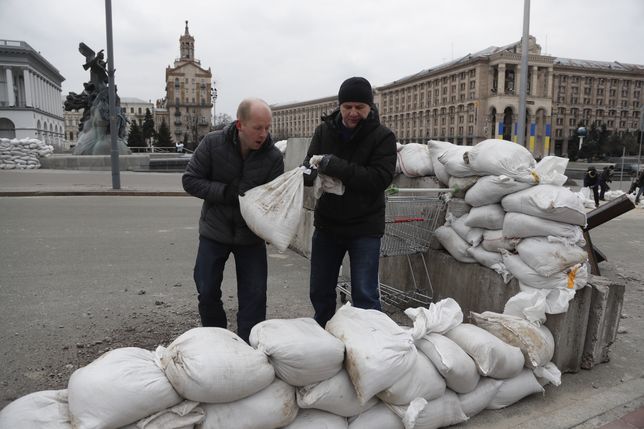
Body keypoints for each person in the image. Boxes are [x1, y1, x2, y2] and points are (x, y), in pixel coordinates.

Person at [182, 98, 284, 342]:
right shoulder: (212, 143)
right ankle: (217, 341)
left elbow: (275, 199)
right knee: (206, 290)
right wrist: (226, 192)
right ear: (240, 125)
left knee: (255, 297)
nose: (264, 134)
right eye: (258, 127)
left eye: (267, 127)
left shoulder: (272, 157)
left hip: (251, 236)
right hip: (215, 231)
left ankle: (249, 349)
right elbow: (190, 180)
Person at [301, 77, 397, 327]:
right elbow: (308, 162)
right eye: (347, 107)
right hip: (328, 225)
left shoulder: (383, 137)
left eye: (359, 107)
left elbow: (379, 179)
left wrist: (337, 166)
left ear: (370, 107)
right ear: (339, 106)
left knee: (365, 293)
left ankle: (370, 341)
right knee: (320, 290)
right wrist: (306, 173)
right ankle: (326, 335)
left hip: (364, 227)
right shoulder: (324, 131)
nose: (353, 113)